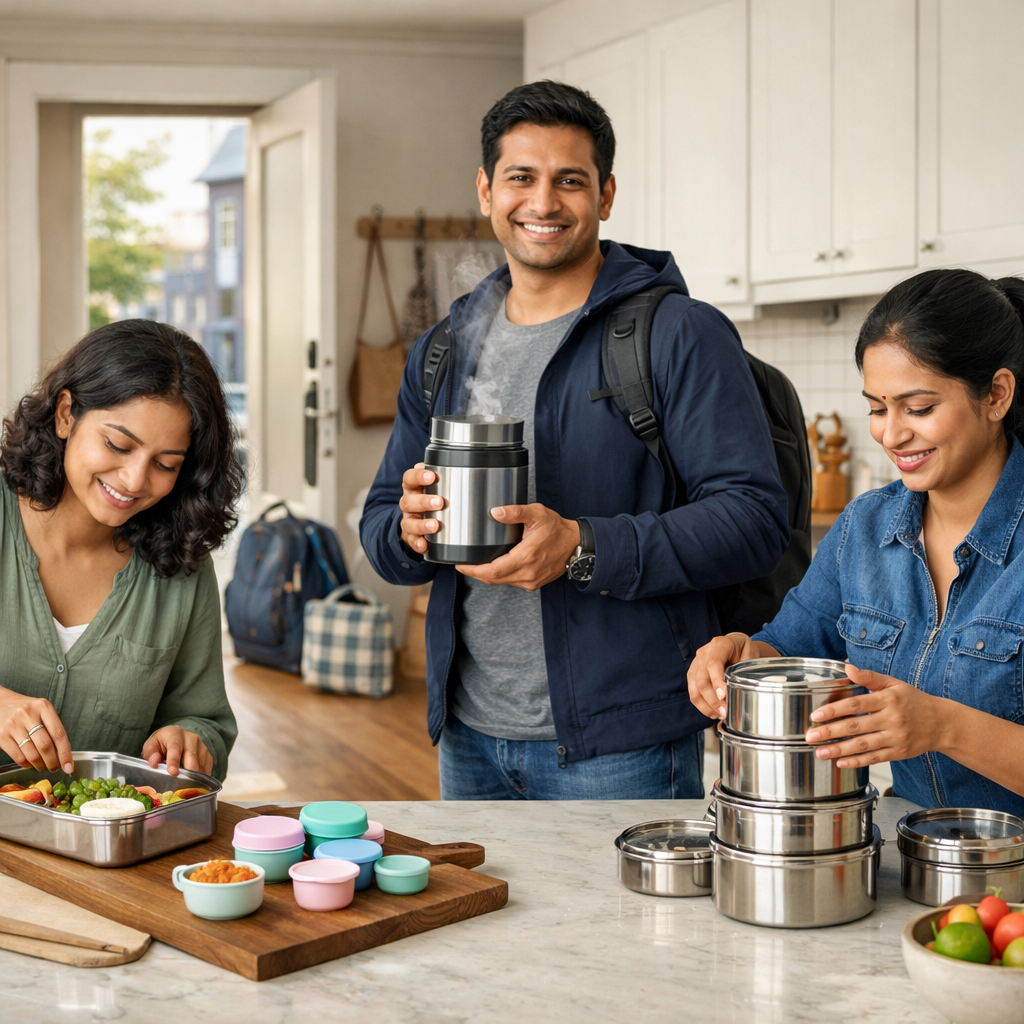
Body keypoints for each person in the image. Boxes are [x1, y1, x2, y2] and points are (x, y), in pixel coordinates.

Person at [360, 81, 790, 800]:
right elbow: (380, 526)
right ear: (486, 190)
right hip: (466, 736)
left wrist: (582, 548)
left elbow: (753, 521)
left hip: (624, 745)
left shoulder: (680, 334)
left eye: (571, 180)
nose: (544, 203)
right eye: (521, 178)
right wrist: (407, 530)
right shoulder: (444, 347)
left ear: (607, 194)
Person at [688, 268, 1024, 814]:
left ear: (996, 395)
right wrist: (744, 658)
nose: (892, 434)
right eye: (876, 407)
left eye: (919, 409)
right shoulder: (864, 529)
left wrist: (942, 725)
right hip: (920, 862)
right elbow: (791, 647)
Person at [0, 320, 243, 781]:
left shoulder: (181, 565)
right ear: (66, 414)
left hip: (106, 846)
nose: (134, 481)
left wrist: (189, 741)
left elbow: (205, 721)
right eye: (117, 444)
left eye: (165, 464)